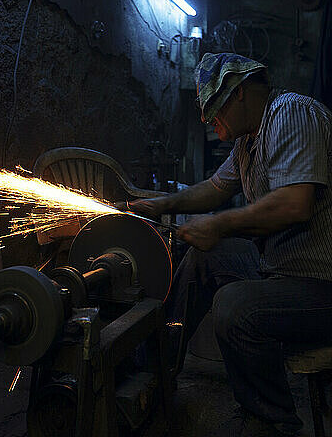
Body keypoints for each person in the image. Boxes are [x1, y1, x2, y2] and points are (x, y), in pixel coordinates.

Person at [129, 52, 332, 437]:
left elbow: (296, 202)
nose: (209, 122)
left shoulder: (291, 113)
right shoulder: (247, 143)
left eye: (214, 109)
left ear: (239, 92)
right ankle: (153, 373)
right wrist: (161, 204)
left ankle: (272, 420)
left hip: (321, 284)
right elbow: (214, 188)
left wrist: (219, 224)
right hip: (282, 270)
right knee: (201, 258)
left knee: (236, 305)